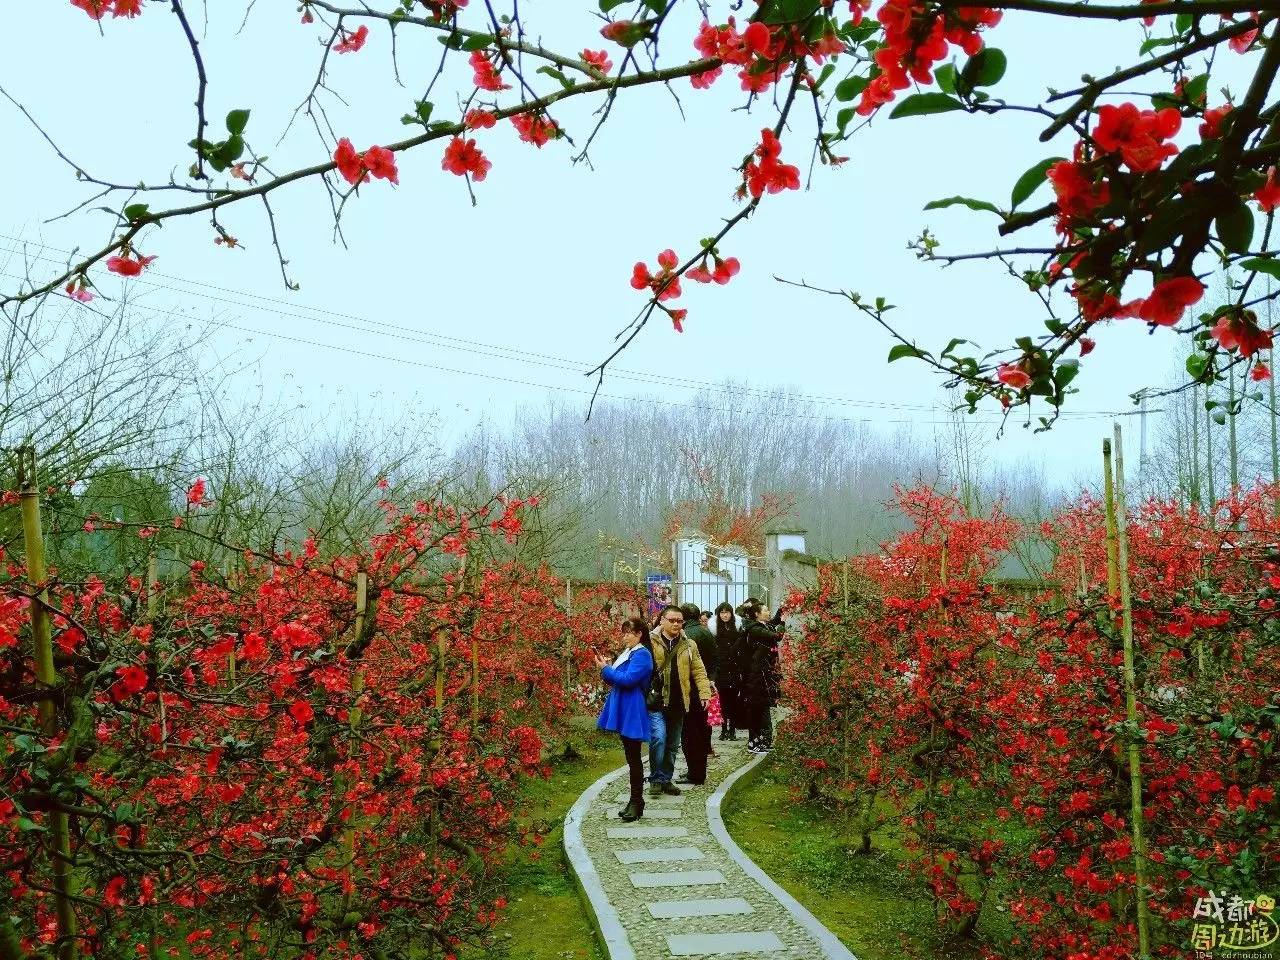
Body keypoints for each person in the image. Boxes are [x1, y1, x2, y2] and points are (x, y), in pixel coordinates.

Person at [648, 605, 714, 796]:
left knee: (672, 744)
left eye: (679, 621)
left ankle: (666, 779)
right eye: (672, 620)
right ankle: (655, 778)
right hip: (657, 701)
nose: (676, 624)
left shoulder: (689, 644)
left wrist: (704, 693)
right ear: (662, 620)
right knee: (658, 739)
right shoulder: (650, 642)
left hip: (679, 701)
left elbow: (699, 671)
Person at [595, 617, 655, 822]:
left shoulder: (643, 654)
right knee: (631, 756)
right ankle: (635, 800)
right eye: (624, 632)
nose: (625, 636)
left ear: (639, 634)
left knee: (634, 757)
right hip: (623, 703)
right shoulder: (629, 653)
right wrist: (606, 668)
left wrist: (606, 669)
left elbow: (628, 680)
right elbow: (615, 679)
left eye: (629, 632)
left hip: (632, 706)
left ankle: (637, 801)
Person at [738, 598, 784, 754]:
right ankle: (753, 742)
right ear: (757, 614)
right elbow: (776, 636)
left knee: (763, 708)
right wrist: (782, 625)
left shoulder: (762, 625)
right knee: (756, 710)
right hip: (755, 676)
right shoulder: (755, 629)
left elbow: (773, 623)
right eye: (765, 610)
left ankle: (762, 741)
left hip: (763, 674)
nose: (768, 612)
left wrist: (781, 613)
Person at [678, 603, 716, 785]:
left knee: (689, 734)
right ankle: (699, 771)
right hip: (704, 686)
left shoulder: (687, 637)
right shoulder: (706, 632)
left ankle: (695, 773)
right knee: (702, 731)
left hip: (691, 688)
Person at [712, 601, 742, 741]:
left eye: (727, 612)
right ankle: (723, 730)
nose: (725, 615)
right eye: (722, 612)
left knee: (733, 701)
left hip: (734, 669)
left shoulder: (736, 629)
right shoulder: (714, 630)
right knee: (723, 701)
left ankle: (733, 730)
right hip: (721, 670)